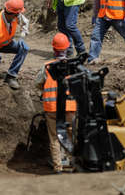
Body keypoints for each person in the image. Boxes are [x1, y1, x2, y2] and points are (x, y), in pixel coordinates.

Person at [35, 32, 76, 174]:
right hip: (69, 108)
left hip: (52, 108)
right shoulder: (73, 66)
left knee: (54, 138)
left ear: (54, 49)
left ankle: (58, 167)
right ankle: (72, 164)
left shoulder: (46, 67)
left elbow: (38, 83)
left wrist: (45, 90)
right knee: (70, 136)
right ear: (67, 48)